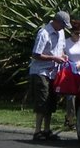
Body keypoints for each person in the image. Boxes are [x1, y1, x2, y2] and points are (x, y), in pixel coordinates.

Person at [28, 10, 70, 141]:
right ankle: (37, 131)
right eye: (62, 24)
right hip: (41, 72)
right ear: (56, 21)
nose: (63, 28)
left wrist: (63, 56)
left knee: (51, 101)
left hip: (54, 72)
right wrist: (53, 58)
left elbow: (61, 49)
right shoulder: (44, 33)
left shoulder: (61, 32)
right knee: (42, 101)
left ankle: (47, 129)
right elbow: (36, 54)